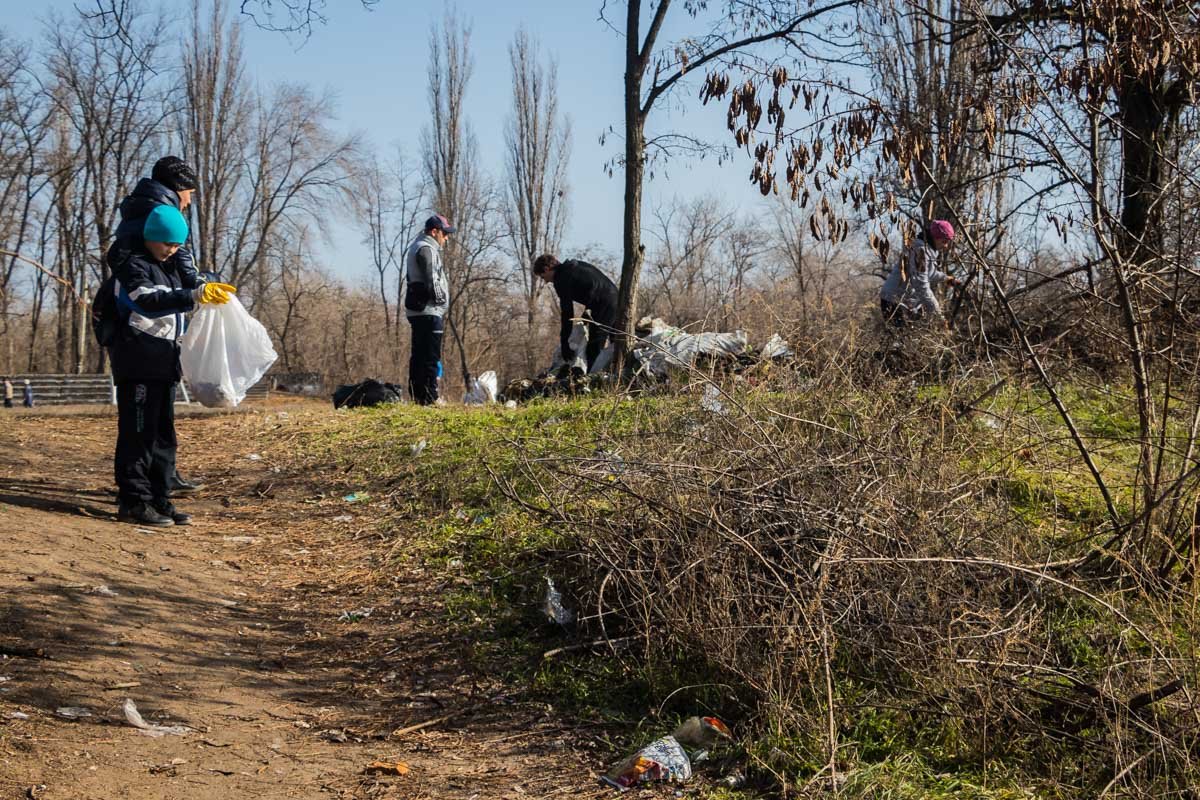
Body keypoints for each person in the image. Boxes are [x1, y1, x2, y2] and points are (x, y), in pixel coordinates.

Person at [108, 205, 236, 526]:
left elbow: (187, 282)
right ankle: (134, 501)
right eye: (168, 244)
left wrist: (205, 287)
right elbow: (146, 300)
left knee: (164, 434)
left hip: (164, 360)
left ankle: (160, 498)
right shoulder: (133, 265)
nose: (173, 250)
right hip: (137, 359)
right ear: (152, 237)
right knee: (139, 433)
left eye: (178, 245)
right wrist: (191, 295)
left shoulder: (168, 264)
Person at [107, 156, 206, 495]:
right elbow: (145, 295)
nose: (190, 200)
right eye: (189, 193)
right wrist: (194, 290)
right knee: (141, 426)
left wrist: (197, 287)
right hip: (140, 341)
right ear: (177, 190)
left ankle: (160, 483)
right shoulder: (152, 222)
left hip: (160, 345)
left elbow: (178, 258)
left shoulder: (149, 214)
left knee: (161, 420)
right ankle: (137, 492)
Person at [532, 254, 619, 375]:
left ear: (547, 269)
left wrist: (565, 343)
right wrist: (585, 318)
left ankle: (592, 381)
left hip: (604, 303)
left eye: (543, 277)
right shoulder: (574, 266)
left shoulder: (561, 279)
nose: (546, 281)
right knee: (617, 341)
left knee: (594, 347)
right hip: (615, 298)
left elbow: (567, 313)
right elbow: (594, 289)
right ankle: (618, 375)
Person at [404, 214, 454, 406]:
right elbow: (431, 278)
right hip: (428, 310)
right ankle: (430, 397)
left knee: (419, 355)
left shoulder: (418, 246)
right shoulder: (427, 248)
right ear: (435, 232)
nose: (446, 238)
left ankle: (419, 397)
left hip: (419, 310)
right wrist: (441, 301)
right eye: (445, 234)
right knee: (430, 356)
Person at [879, 219, 961, 327]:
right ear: (935, 237)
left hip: (905, 302)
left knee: (908, 338)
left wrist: (946, 278)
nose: (946, 246)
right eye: (944, 241)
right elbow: (921, 284)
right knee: (899, 340)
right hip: (893, 300)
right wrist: (938, 314)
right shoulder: (920, 251)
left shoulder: (928, 251)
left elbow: (929, 273)